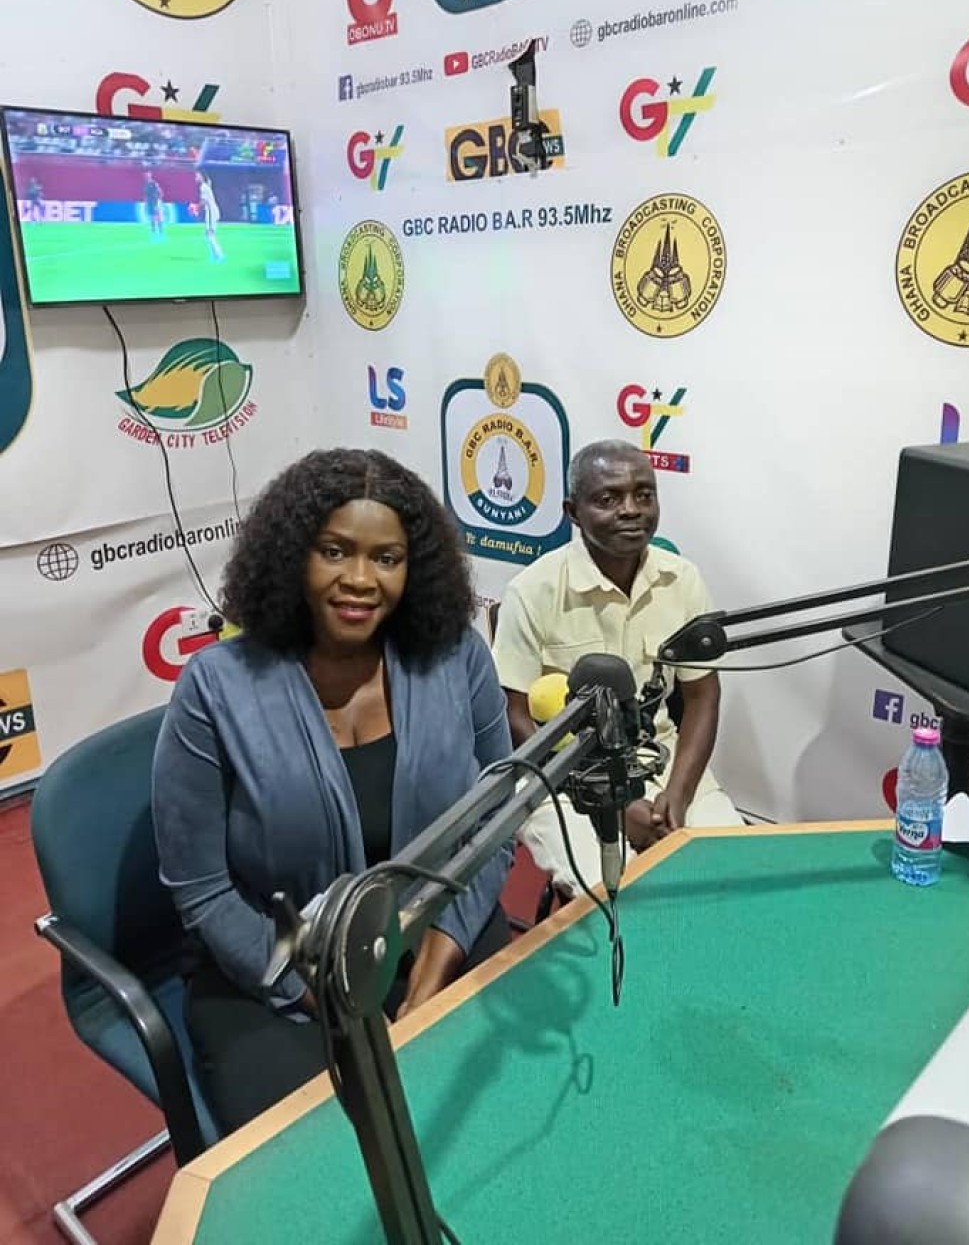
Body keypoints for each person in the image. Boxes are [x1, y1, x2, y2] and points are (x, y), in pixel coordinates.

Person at [152, 448, 514, 1133]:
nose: (360, 580)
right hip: (275, 975)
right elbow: (201, 890)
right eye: (334, 551)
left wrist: (434, 969)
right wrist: (335, 997)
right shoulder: (215, 689)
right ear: (293, 555)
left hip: (437, 934)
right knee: (327, 1157)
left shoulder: (456, 657)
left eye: (387, 558)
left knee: (503, 1106)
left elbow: (496, 819)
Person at [491, 440, 743, 896]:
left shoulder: (682, 580)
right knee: (620, 892)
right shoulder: (532, 591)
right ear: (573, 512)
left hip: (658, 758)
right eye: (608, 499)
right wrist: (616, 807)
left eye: (644, 495)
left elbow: (703, 695)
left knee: (730, 871)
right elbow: (515, 718)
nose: (630, 510)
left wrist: (678, 796)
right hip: (560, 776)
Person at [194, 169, 224, 261]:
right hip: (212, 210)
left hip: (211, 211)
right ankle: (215, 255)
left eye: (197, 175)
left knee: (209, 233)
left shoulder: (203, 187)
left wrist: (196, 207)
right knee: (209, 233)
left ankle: (218, 255)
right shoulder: (206, 185)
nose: (196, 177)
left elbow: (204, 201)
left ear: (202, 176)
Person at [142, 171, 164, 240]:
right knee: (152, 218)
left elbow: (160, 192)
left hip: (155, 202)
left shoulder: (154, 183)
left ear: (150, 176)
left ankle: (161, 232)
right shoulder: (146, 185)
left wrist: (158, 201)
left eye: (147, 175)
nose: (146, 176)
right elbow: (145, 195)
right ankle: (153, 232)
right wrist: (146, 203)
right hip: (150, 203)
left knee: (158, 217)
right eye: (145, 175)